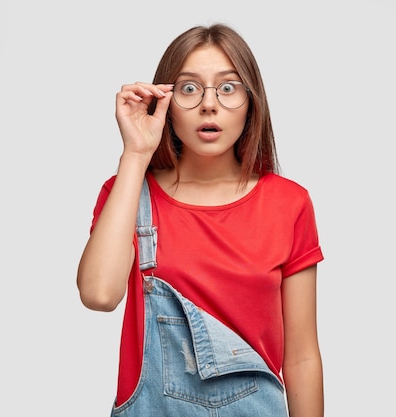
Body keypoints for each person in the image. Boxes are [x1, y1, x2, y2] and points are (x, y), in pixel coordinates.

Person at [77, 23, 324, 417]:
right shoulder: (127, 193)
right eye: (189, 88)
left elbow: (302, 358)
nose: (209, 104)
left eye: (228, 88)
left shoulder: (289, 203)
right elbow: (99, 295)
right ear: (165, 102)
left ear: (251, 102)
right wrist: (136, 155)